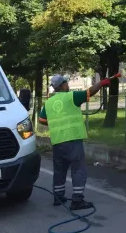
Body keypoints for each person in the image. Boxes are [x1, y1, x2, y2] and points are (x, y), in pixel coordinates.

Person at [38, 74, 111, 210]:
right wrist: (101, 84)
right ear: (63, 85)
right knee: (78, 170)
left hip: (57, 142)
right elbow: (90, 92)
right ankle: (77, 200)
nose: (68, 84)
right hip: (72, 140)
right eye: (66, 82)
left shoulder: (48, 102)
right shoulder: (71, 97)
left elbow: (42, 121)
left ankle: (58, 197)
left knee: (59, 170)